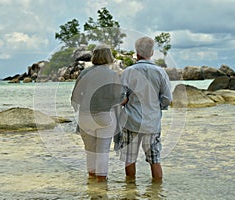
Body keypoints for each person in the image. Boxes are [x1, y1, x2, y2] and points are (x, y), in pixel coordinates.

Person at [119, 36, 172, 182]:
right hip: (152, 122)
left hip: (131, 121)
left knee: (129, 158)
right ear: (152, 52)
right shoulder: (160, 72)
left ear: (136, 53)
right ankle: (156, 193)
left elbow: (120, 97)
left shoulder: (128, 72)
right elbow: (167, 98)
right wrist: (157, 106)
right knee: (155, 159)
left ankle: (130, 192)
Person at [71, 44, 123, 182]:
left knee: (90, 153)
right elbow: (120, 98)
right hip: (105, 117)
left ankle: (92, 186)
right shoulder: (113, 75)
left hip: (84, 117)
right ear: (109, 57)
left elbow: (75, 97)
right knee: (103, 153)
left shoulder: (84, 73)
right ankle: (101, 186)